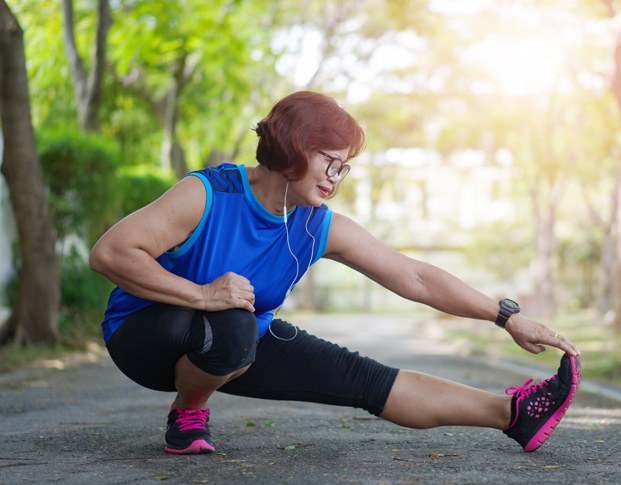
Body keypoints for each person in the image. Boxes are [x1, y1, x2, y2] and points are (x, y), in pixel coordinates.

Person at [90, 90, 581, 456]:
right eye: (329, 160)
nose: (334, 177)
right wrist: (201, 294)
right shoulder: (209, 195)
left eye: (343, 168)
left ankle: (512, 414)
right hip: (145, 337)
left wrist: (506, 316)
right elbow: (111, 253)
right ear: (292, 145)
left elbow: (415, 277)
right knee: (237, 324)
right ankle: (188, 412)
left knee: (362, 378)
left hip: (233, 342)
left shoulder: (316, 226)